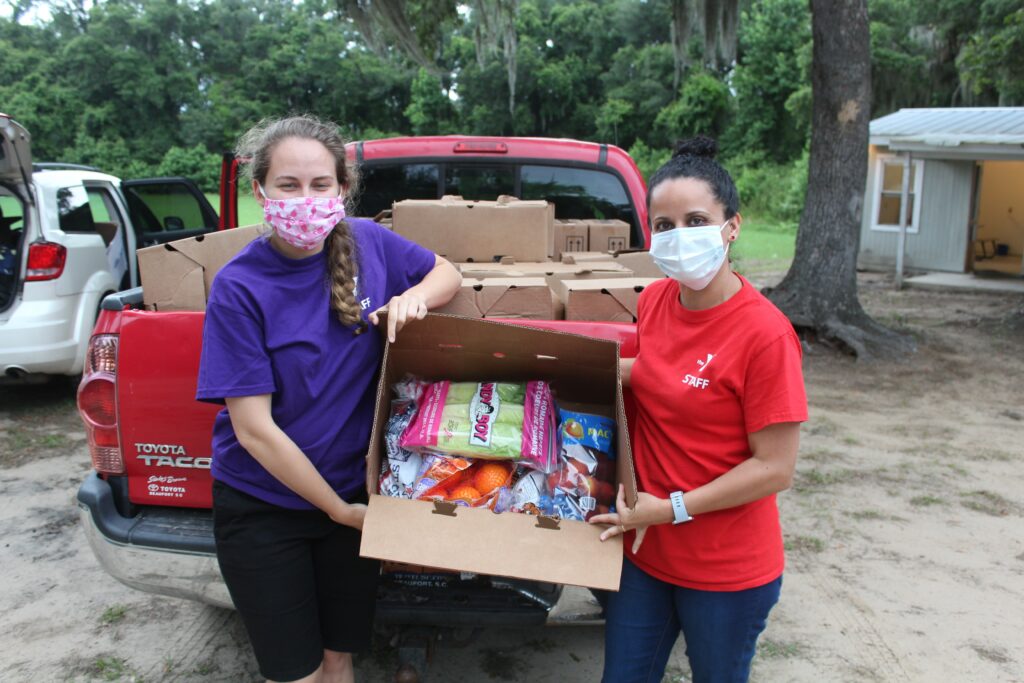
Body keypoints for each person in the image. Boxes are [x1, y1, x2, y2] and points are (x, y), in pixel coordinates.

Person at [195, 115, 461, 683]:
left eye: (320, 185)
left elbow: (447, 272)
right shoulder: (240, 288)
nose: (305, 199)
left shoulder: (369, 241)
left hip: (351, 493)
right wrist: (339, 512)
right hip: (266, 508)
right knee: (300, 673)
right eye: (288, 186)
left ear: (342, 189)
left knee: (340, 660)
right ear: (259, 191)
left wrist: (413, 298)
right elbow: (255, 431)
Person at [590, 136, 808, 683]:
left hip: (725, 571)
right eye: (663, 226)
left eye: (695, 220)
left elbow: (774, 468)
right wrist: (564, 368)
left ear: (731, 226)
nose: (678, 237)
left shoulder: (765, 336)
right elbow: (653, 377)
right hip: (646, 554)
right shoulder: (656, 299)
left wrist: (670, 509)